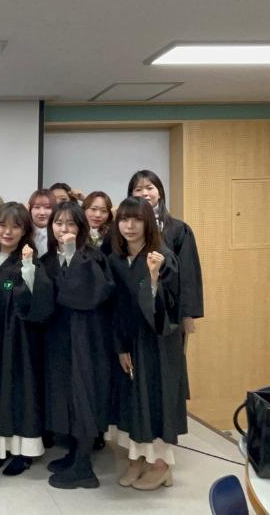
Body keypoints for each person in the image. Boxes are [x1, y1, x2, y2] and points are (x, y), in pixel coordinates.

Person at [107, 197, 186, 491]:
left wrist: (152, 279)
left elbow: (169, 307)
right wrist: (120, 346)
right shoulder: (117, 259)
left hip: (157, 344)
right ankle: (136, 458)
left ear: (148, 222)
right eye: (124, 219)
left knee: (155, 400)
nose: (130, 226)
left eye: (137, 219)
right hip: (129, 340)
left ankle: (162, 465)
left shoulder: (162, 256)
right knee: (132, 402)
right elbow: (115, 308)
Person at [39, 201, 115, 489]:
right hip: (59, 340)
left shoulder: (92, 257)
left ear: (81, 228)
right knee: (66, 397)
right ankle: (74, 454)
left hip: (86, 340)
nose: (64, 229)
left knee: (84, 396)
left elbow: (84, 295)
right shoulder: (49, 258)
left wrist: (71, 253)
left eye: (71, 223)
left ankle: (84, 467)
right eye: (58, 223)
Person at [0, 202, 53, 477]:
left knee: (21, 392)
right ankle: (1, 448)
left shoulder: (30, 261)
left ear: (25, 231)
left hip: (20, 340)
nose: (7, 232)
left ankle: (23, 453)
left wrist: (28, 269)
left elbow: (40, 302)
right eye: (2, 225)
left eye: (15, 226)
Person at [128, 170, 203, 356]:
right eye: (138, 189)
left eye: (149, 188)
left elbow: (188, 274)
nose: (144, 193)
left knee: (169, 362)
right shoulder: (125, 229)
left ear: (160, 192)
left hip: (170, 312)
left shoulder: (178, 229)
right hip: (135, 309)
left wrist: (187, 315)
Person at [28, 189, 55, 258]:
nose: (42, 213)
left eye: (48, 207)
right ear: (30, 209)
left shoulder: (59, 233)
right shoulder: (23, 231)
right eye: (37, 207)